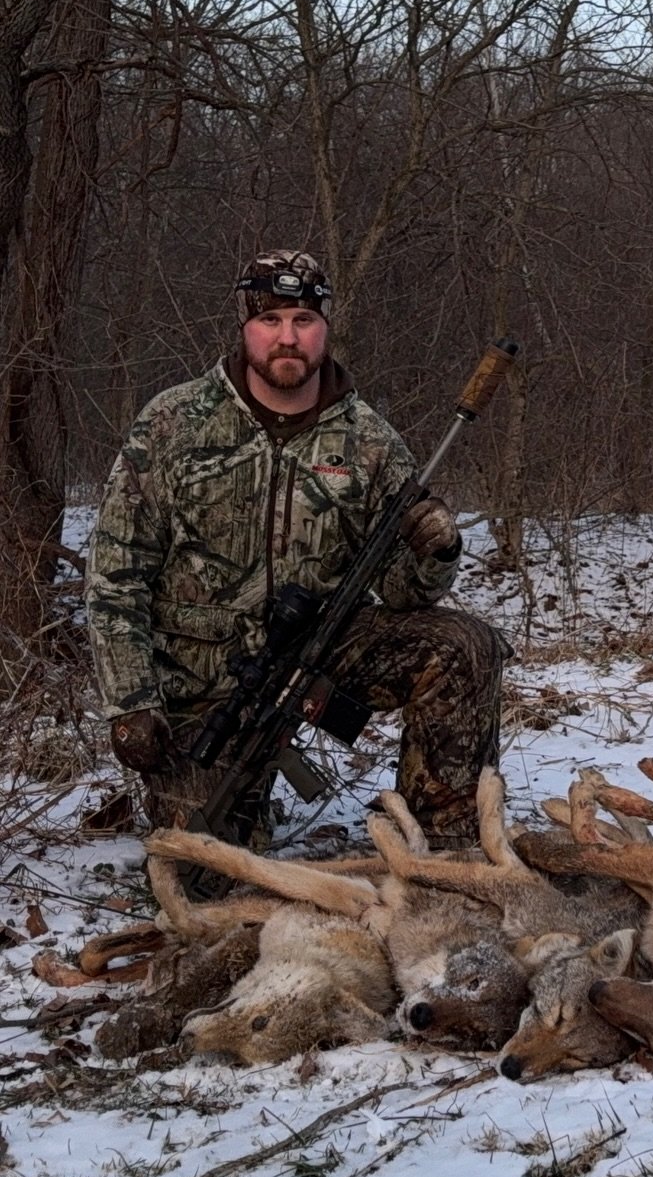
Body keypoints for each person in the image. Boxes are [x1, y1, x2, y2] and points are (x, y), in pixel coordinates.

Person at [85, 250, 510, 844]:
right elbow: (116, 574)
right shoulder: (173, 423)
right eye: (271, 319)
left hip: (321, 649)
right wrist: (131, 701)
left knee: (464, 644)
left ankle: (447, 846)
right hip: (203, 680)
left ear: (325, 327)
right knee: (210, 867)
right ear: (245, 326)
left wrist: (435, 550)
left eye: (304, 320)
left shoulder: (369, 441)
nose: (288, 337)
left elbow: (403, 590)